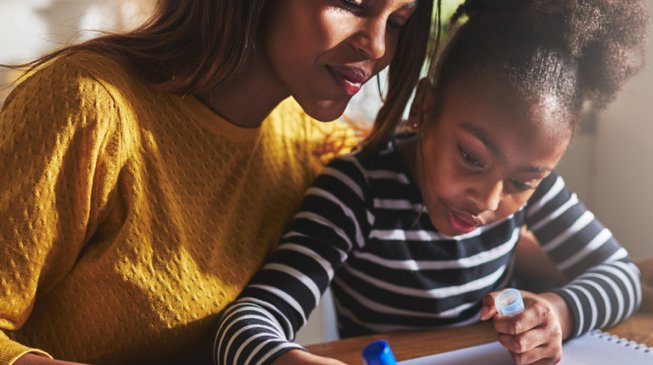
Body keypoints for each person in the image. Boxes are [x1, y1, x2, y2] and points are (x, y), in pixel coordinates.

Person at [214, 1, 653, 365]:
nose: (487, 200)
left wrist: (558, 314)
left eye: (522, 180)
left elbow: (623, 277)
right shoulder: (356, 191)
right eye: (470, 156)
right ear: (425, 108)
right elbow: (249, 321)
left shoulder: (534, 191)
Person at [0, 1, 440, 364]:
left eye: (399, 23)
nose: (378, 46)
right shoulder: (88, 108)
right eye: (352, 3)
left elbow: (449, 176)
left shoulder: (309, 144)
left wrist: (510, 305)